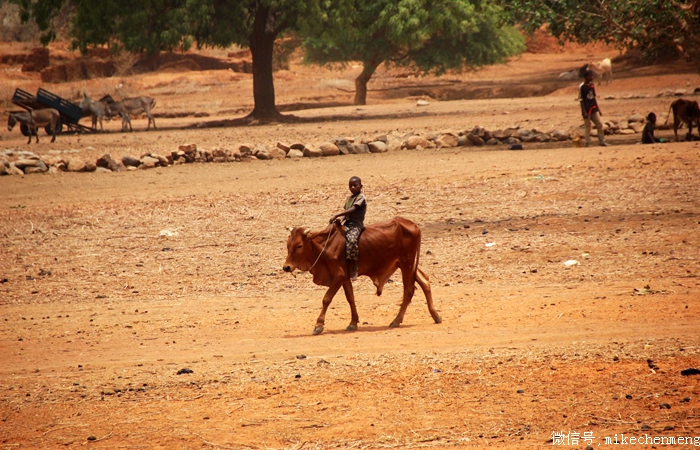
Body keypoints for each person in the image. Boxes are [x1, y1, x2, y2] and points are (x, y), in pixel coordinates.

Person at [330, 176, 367, 281]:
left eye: (355, 185)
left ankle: (354, 265)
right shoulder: (349, 198)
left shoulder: (361, 197)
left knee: (351, 240)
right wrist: (339, 220)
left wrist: (337, 214)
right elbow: (346, 213)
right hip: (347, 223)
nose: (353, 187)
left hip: (356, 224)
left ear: (361, 186)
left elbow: (353, 209)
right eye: (350, 186)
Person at [579, 70, 607, 147]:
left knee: (599, 124)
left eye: (592, 76)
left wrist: (598, 109)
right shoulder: (583, 87)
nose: (592, 77)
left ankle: (602, 141)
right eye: (590, 76)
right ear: (586, 77)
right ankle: (587, 142)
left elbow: (593, 98)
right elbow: (581, 100)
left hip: (593, 108)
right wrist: (584, 111)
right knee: (588, 126)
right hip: (587, 109)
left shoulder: (591, 85)